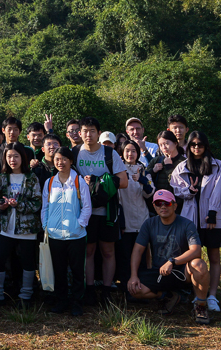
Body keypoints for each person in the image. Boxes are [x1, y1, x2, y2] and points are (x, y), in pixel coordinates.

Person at [127, 190, 211, 324]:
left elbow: (196, 251)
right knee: (134, 289)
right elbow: (137, 250)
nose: (163, 207)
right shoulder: (149, 224)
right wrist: (133, 276)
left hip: (182, 271)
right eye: (159, 204)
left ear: (175, 205)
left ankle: (200, 306)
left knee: (199, 264)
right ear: (154, 206)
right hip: (160, 272)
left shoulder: (186, 224)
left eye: (167, 203)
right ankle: (169, 296)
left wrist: (173, 261)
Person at [171, 131, 221, 313]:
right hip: (190, 219)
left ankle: (212, 295)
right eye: (193, 144)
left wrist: (212, 212)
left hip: (211, 219)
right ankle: (197, 292)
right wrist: (189, 191)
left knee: (213, 256)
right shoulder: (182, 167)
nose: (197, 148)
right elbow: (176, 188)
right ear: (188, 146)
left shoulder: (217, 165)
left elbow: (220, 190)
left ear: (206, 146)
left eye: (200, 144)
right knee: (194, 258)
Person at [73, 117, 128, 299]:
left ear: (98, 133)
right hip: (83, 212)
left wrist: (98, 182)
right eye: (85, 131)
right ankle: (89, 290)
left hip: (107, 212)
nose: (88, 135)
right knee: (88, 251)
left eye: (92, 131)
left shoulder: (109, 154)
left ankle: (106, 290)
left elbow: (124, 181)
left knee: (108, 251)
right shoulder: (74, 153)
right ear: (79, 133)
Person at [40, 146, 91, 316]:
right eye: (57, 159)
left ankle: (77, 303)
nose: (60, 162)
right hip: (55, 235)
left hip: (76, 235)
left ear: (71, 161)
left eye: (63, 159)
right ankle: (61, 301)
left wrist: (79, 225)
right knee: (59, 271)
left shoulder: (79, 181)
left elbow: (87, 207)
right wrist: (46, 226)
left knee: (77, 272)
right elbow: (45, 207)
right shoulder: (49, 182)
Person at [0, 144, 41, 306]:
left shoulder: (31, 177)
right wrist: (2, 205)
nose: (13, 160)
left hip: (27, 228)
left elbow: (37, 203)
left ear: (23, 158)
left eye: (16, 156)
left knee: (27, 260)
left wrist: (18, 204)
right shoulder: (3, 177)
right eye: (9, 156)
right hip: (7, 227)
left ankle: (26, 295)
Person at [117, 139, 153, 291]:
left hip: (141, 219)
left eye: (133, 151)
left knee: (142, 258)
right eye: (127, 151)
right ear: (122, 153)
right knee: (125, 256)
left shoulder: (143, 169)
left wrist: (143, 181)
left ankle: (141, 288)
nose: (130, 154)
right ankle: (127, 289)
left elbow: (151, 193)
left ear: (138, 153)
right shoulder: (118, 169)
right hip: (125, 220)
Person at [149, 130, 184, 197]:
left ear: (175, 143)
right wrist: (153, 171)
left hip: (176, 202)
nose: (164, 147)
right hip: (158, 201)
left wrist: (169, 166)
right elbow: (144, 177)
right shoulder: (156, 160)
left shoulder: (184, 162)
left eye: (166, 143)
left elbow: (180, 184)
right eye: (161, 145)